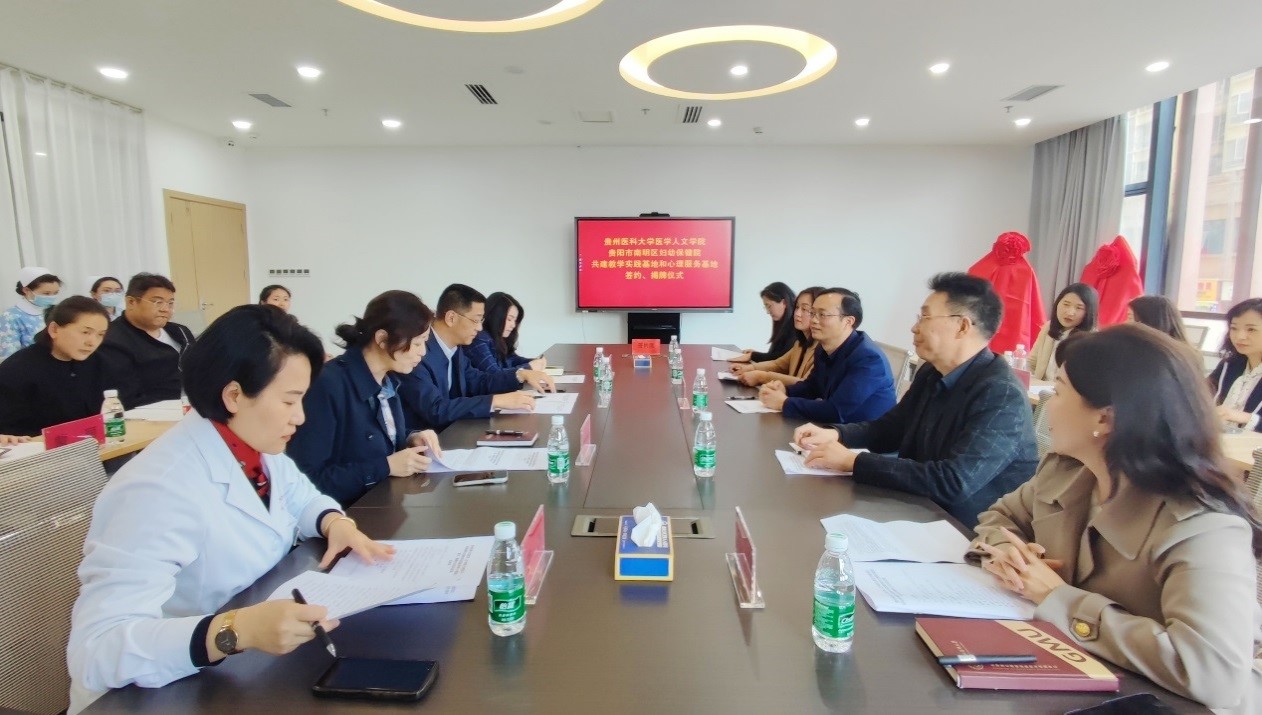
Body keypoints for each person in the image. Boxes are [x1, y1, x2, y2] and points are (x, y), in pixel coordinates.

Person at [66, 304, 395, 714]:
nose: (300, 417)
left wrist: (334, 523)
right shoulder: (156, 489)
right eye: (290, 401)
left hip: (240, 675)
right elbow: (96, 652)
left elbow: (301, 497)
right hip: (153, 694)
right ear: (235, 395)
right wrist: (234, 631)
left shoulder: (252, 445)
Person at [972, 325, 1262, 714]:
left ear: (1106, 419)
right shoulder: (1069, 471)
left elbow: (1214, 674)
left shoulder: (1203, 526)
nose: (1047, 402)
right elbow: (1000, 517)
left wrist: (1058, 598)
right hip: (1078, 679)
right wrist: (1011, 556)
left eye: (1059, 391)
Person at [794, 272, 1038, 528]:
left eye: (925, 317)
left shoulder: (1001, 394)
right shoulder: (932, 371)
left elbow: (954, 481)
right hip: (918, 508)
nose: (914, 327)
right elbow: (891, 429)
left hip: (966, 529)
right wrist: (836, 434)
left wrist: (852, 461)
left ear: (963, 326)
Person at [288, 291, 443, 506]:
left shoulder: (388, 379)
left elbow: (369, 437)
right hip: (345, 515)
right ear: (382, 339)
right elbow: (309, 478)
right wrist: (385, 467)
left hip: (386, 506)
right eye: (418, 343)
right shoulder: (328, 384)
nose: (423, 352)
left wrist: (410, 437)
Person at [397, 284, 543, 431]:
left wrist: (519, 375)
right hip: (430, 438)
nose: (480, 328)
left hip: (457, 430)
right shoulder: (416, 354)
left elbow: (479, 381)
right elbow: (436, 409)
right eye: (476, 320)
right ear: (451, 318)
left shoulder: (456, 348)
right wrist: (494, 401)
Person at [757, 288, 895, 423]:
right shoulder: (823, 348)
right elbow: (812, 387)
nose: (814, 320)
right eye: (812, 313)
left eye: (822, 314)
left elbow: (836, 410)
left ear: (848, 321)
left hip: (863, 435)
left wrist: (784, 403)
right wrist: (785, 390)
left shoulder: (869, 359)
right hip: (836, 429)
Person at [0, 297, 112, 436]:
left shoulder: (98, 362)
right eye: (85, 332)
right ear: (54, 330)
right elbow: (9, 429)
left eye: (100, 335)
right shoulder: (18, 369)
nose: (92, 342)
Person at [97, 272, 196, 408]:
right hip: (155, 413)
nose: (165, 309)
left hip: (196, 406)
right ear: (131, 302)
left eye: (170, 303)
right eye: (157, 302)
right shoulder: (113, 341)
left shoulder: (180, 331)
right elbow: (127, 398)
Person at [730, 286, 821, 387]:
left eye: (804, 309)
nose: (797, 313)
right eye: (797, 307)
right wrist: (749, 368)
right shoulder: (799, 344)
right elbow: (778, 365)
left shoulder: (823, 349)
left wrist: (761, 377)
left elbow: (806, 384)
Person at [1209, 297, 1262, 433]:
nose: (1239, 336)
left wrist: (1248, 418)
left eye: (1251, 329)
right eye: (1234, 328)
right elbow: (1199, 396)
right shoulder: (1229, 365)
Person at [1028, 283, 1098, 380]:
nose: (1070, 312)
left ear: (1088, 312)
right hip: (1039, 388)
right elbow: (1031, 363)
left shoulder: (1092, 339)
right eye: (1066, 304)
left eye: (1079, 308)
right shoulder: (1048, 327)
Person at [467, 291, 545, 373]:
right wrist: (529, 367)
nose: (513, 325)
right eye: (509, 319)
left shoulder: (498, 338)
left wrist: (534, 362)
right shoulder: (479, 339)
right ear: (496, 317)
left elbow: (512, 360)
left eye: (515, 320)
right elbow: (494, 374)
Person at [0, 266, 62, 359]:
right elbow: (9, 357)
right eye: (46, 293)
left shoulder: (58, 311)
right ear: (26, 290)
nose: (51, 297)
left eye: (55, 293)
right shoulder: (10, 317)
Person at [728, 281, 796, 364]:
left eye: (769, 306)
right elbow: (775, 356)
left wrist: (753, 356)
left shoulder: (795, 327)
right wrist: (756, 354)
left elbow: (782, 360)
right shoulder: (783, 323)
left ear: (784, 303)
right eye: (766, 307)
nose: (768, 312)